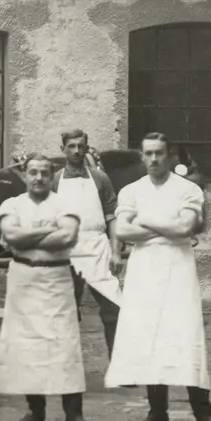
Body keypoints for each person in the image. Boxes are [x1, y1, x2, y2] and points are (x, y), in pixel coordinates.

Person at [107, 132, 211, 421]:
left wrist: (144, 221)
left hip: (178, 266)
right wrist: (165, 229)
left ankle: (204, 415)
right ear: (142, 156)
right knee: (151, 337)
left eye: (159, 153)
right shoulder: (131, 191)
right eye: (148, 153)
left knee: (185, 335)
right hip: (144, 267)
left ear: (170, 156)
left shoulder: (187, 189)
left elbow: (185, 227)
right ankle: (157, 413)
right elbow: (122, 231)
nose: (154, 159)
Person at [0, 153, 94, 421]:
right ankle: (35, 411)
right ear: (25, 175)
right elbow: (11, 236)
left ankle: (74, 416)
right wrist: (49, 229)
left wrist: (28, 234)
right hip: (23, 281)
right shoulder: (11, 205)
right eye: (33, 172)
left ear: (52, 177)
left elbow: (67, 237)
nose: (38, 178)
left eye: (44, 173)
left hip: (57, 280)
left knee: (64, 347)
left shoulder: (65, 204)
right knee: (29, 348)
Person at [50, 129, 123, 357]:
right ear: (63, 149)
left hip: (97, 247)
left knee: (114, 308)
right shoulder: (54, 180)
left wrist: (116, 252)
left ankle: (118, 363)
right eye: (71, 146)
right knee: (65, 311)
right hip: (66, 250)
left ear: (86, 148)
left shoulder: (100, 179)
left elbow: (112, 218)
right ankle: (65, 364)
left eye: (80, 146)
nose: (76, 151)